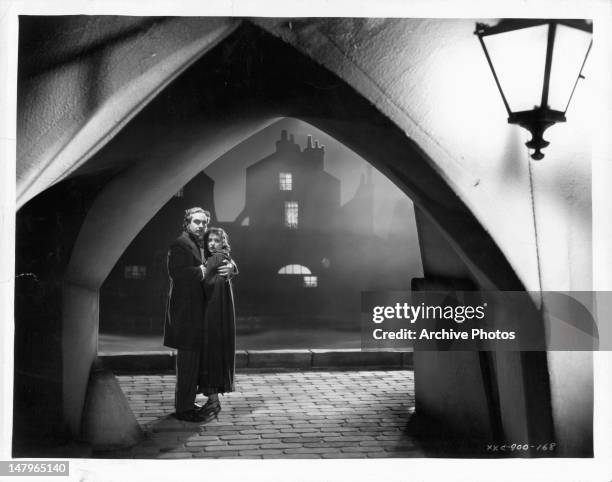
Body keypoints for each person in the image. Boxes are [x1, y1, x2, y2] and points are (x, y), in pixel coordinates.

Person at [163, 207, 235, 422]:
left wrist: (231, 265)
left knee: (192, 363)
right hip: (186, 315)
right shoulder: (180, 244)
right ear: (187, 223)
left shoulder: (199, 243)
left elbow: (220, 255)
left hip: (197, 314)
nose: (201, 226)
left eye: (204, 222)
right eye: (196, 222)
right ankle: (184, 410)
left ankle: (186, 404)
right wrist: (202, 271)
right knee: (187, 363)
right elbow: (176, 273)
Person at [197, 227, 237, 421]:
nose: (211, 243)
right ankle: (212, 399)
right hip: (218, 313)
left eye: (216, 240)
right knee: (212, 354)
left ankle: (213, 401)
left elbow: (198, 281)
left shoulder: (215, 259)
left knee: (209, 354)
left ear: (223, 242)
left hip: (213, 314)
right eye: (209, 240)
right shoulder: (224, 258)